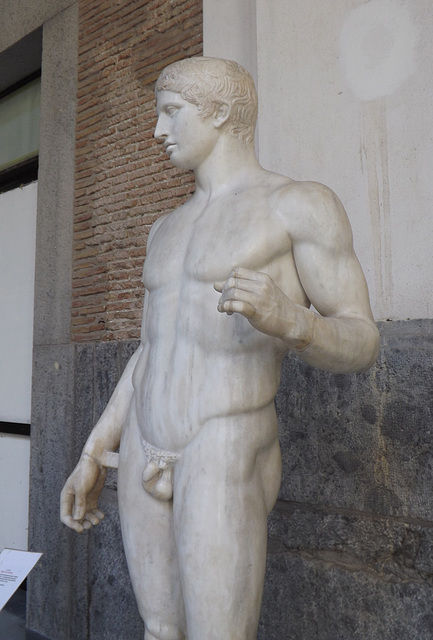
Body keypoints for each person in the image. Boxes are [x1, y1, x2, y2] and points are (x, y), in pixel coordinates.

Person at [61, 57, 379, 640]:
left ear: (222, 113)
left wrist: (294, 322)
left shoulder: (298, 205)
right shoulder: (165, 227)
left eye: (171, 112)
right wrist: (95, 447)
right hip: (142, 446)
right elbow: (150, 351)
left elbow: (362, 338)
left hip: (225, 439)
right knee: (159, 631)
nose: (158, 130)